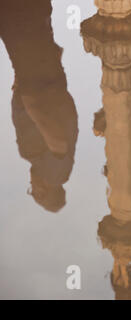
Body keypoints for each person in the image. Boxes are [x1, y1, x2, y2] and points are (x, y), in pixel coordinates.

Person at [0, 0, 78, 212]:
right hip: (35, 72)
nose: (31, 184)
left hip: (35, 68)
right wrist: (30, 102)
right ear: (42, 192)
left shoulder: (52, 168)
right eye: (33, 190)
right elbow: (57, 141)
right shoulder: (55, 174)